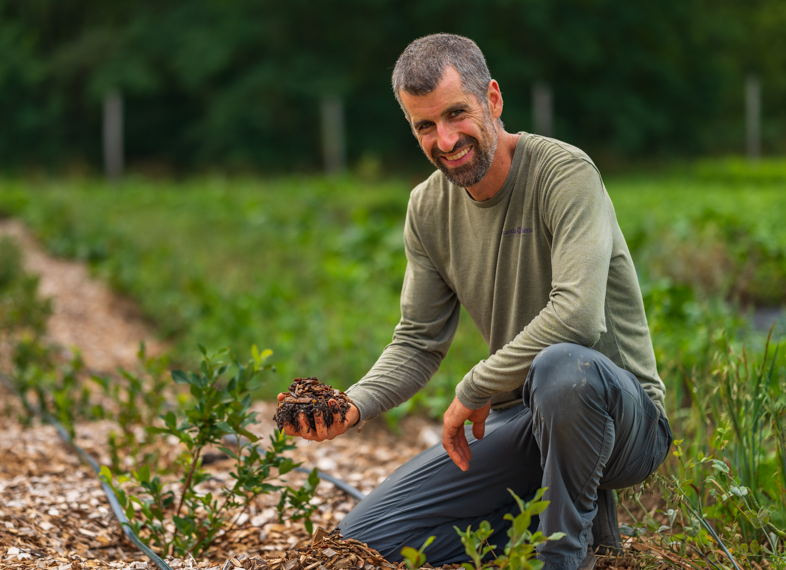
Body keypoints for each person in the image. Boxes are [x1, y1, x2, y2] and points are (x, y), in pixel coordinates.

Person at [279, 33, 671, 570]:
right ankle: (548, 523)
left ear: (492, 99)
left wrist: (476, 385)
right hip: (526, 422)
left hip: (623, 421)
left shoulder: (564, 173)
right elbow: (417, 342)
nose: (444, 140)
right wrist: (354, 403)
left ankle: (565, 556)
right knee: (366, 540)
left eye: (456, 114)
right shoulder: (427, 208)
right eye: (424, 126)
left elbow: (578, 314)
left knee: (563, 369)